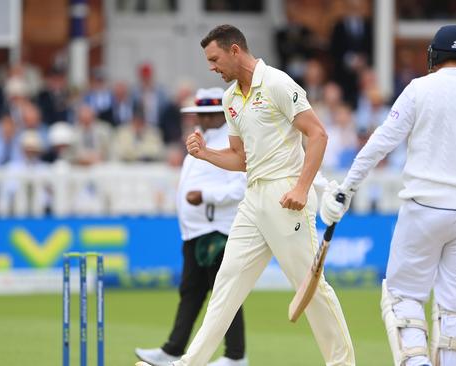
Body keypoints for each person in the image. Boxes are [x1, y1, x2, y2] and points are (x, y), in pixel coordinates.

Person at [137, 24, 355, 366]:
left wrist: (300, 187)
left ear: (235, 50)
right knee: (225, 287)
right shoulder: (230, 99)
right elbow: (241, 159)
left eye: (215, 59)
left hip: (286, 196)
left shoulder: (278, 84)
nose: (212, 67)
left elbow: (318, 135)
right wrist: (205, 153)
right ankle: (188, 363)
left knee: (310, 288)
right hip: (253, 198)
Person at [320, 25, 456, 366]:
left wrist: (347, 188)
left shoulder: (419, 88)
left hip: (424, 207)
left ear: (434, 56)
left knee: (403, 299)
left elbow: (380, 143)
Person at [135, 87, 248, 366]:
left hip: (218, 230)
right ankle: (173, 350)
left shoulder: (231, 141)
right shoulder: (202, 138)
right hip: (195, 230)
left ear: (219, 114)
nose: (200, 118)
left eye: (206, 114)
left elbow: (240, 186)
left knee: (223, 293)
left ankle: (236, 355)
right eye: (199, 113)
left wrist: (205, 196)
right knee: (191, 291)